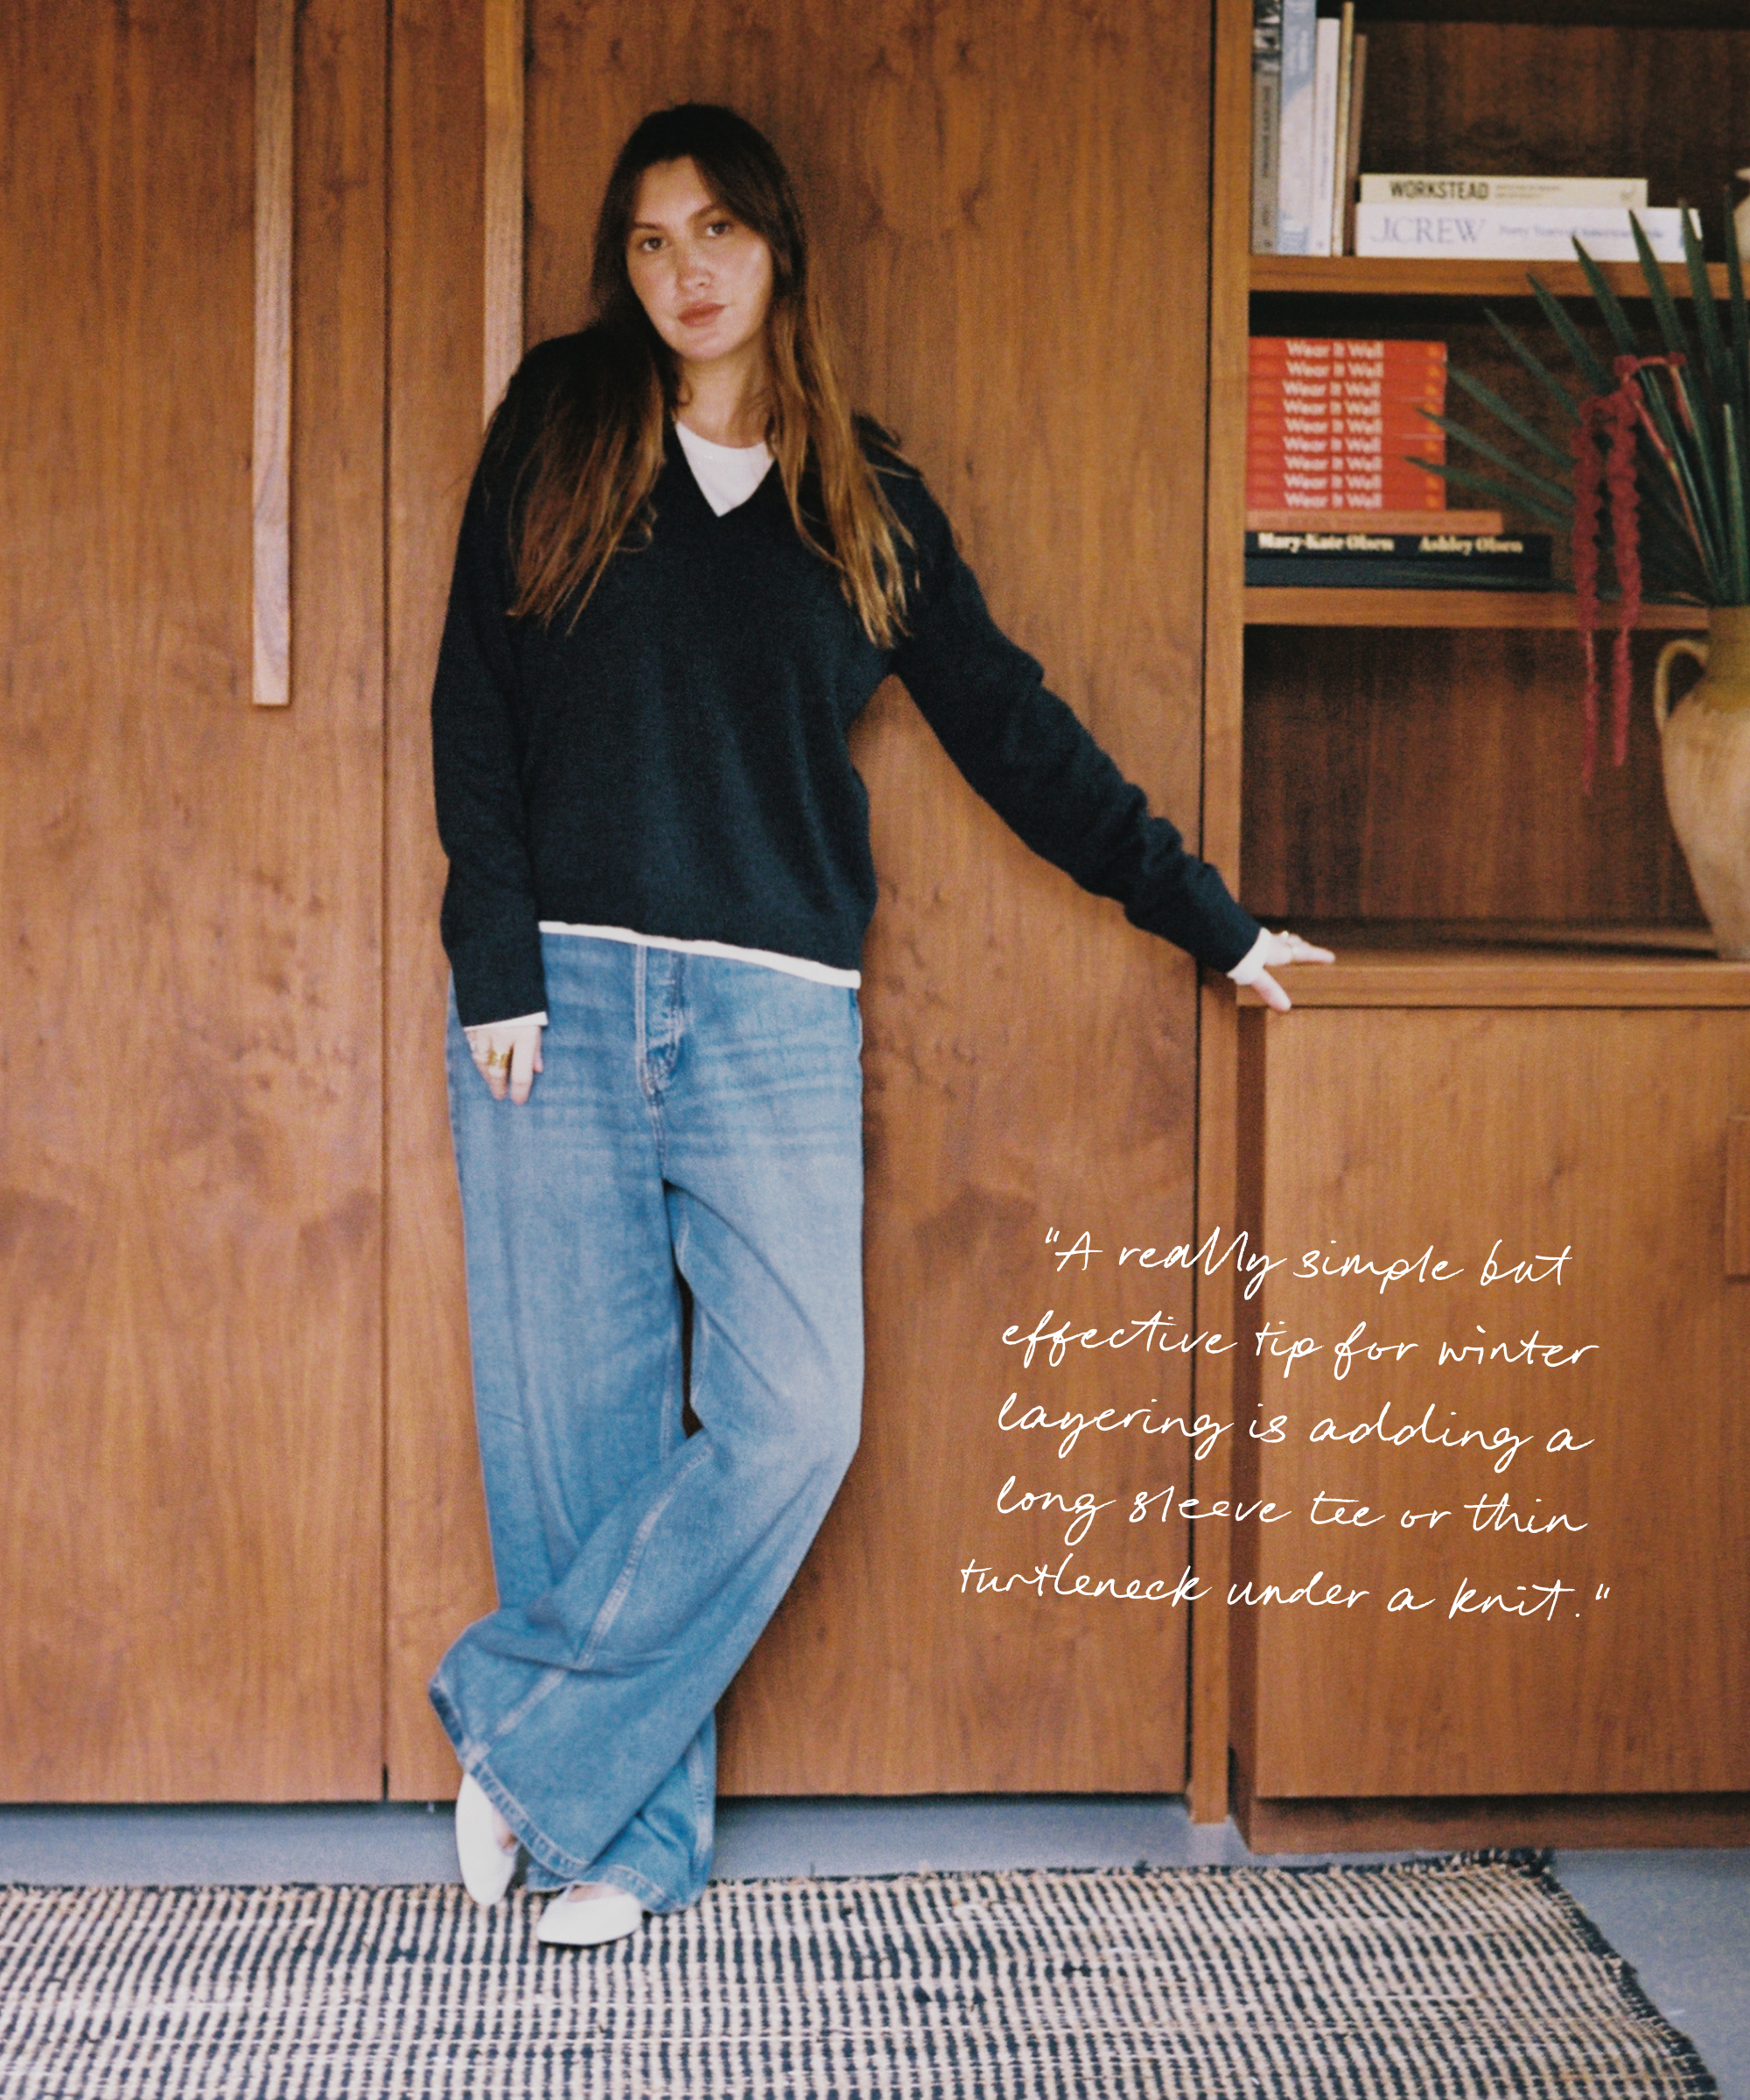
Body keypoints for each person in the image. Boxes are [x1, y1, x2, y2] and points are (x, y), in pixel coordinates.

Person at [429, 101, 1333, 1948]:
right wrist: (494, 955)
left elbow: (1009, 726)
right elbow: (474, 689)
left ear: (778, 252)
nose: (685, 273)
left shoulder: (864, 495)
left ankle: (522, 1736)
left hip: (770, 1012)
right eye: (652, 242)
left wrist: (1205, 918)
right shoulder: (561, 419)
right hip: (562, 1002)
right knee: (573, 1445)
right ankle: (629, 1850)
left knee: (793, 1422)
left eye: (717, 236)